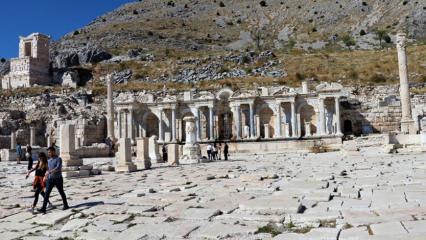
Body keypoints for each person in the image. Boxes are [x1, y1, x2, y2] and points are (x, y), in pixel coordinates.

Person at [38, 147, 69, 214]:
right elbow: (47, 169)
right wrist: (46, 176)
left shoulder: (58, 159)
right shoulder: (49, 161)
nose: (49, 153)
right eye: (48, 152)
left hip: (58, 179)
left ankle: (66, 205)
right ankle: (43, 208)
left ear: (54, 152)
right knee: (46, 193)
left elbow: (58, 168)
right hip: (50, 179)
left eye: (50, 152)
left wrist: (50, 171)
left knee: (61, 192)